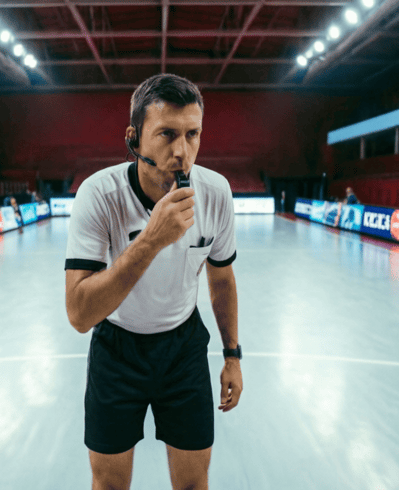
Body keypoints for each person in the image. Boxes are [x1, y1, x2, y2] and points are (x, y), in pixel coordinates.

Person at [65, 73, 242, 490]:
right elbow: (79, 313)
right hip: (117, 348)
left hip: (183, 349)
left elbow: (222, 281)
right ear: (134, 138)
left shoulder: (215, 193)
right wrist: (151, 240)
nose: (182, 152)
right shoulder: (99, 195)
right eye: (166, 134)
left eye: (193, 134)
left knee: (194, 483)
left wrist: (232, 354)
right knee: (108, 484)